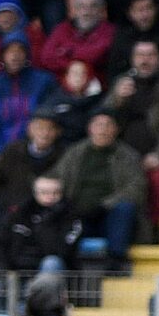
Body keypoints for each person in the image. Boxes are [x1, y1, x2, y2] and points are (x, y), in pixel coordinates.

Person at [95, 40, 159, 222]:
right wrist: (117, 98)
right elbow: (102, 120)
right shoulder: (122, 82)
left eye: (150, 55)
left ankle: (155, 228)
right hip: (122, 156)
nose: (144, 60)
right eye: (140, 55)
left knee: (156, 181)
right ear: (132, 59)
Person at [52, 112, 142, 268]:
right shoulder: (75, 153)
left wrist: (105, 205)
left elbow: (137, 188)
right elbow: (56, 177)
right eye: (98, 125)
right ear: (90, 128)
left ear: (116, 129)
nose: (103, 130)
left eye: (108, 125)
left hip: (110, 215)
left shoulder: (128, 156)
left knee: (125, 208)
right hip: (77, 214)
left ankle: (116, 261)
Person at [0, 174, 80, 283]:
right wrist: (2, 269)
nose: (51, 196)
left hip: (51, 274)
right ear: (35, 193)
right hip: (16, 272)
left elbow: (62, 251)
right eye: (44, 192)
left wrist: (47, 220)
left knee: (51, 262)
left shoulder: (70, 215)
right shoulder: (20, 213)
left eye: (56, 192)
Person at [0, 37, 55, 163]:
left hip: (34, 152)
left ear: (27, 55)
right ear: (3, 55)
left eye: (19, 51)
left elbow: (46, 120)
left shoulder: (43, 82)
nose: (15, 56)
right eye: (10, 51)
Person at [0, 108, 68, 208]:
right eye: (40, 128)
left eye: (50, 129)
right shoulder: (13, 151)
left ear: (58, 132)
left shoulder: (64, 155)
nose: (45, 133)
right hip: (13, 207)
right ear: (30, 129)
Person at [36, 0, 115, 82]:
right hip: (62, 83)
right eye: (82, 6)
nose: (86, 12)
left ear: (101, 10)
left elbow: (93, 56)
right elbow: (46, 58)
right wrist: (75, 62)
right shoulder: (62, 28)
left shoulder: (109, 30)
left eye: (93, 6)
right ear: (75, 9)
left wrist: (65, 52)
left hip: (95, 83)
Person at [103, 0, 159, 83]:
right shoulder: (122, 36)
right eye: (139, 10)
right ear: (130, 13)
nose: (145, 15)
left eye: (149, 8)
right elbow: (114, 69)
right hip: (130, 84)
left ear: (156, 9)